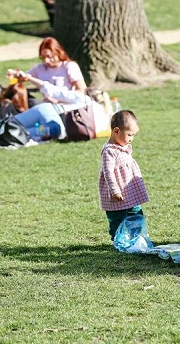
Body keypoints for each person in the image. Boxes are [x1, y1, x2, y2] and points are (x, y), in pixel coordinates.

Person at [99, 110, 149, 241]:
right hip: (118, 194)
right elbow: (108, 172)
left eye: (133, 135)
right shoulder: (109, 151)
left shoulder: (123, 146)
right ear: (116, 131)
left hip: (130, 191)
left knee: (136, 214)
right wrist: (115, 191)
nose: (131, 139)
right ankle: (118, 240)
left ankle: (137, 238)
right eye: (129, 135)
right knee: (118, 218)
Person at [10, 37, 88, 108]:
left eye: (49, 57)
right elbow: (24, 77)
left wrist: (59, 100)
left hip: (67, 107)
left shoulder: (69, 66)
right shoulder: (40, 68)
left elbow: (81, 91)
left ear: (58, 53)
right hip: (48, 107)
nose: (46, 61)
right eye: (43, 58)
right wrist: (15, 74)